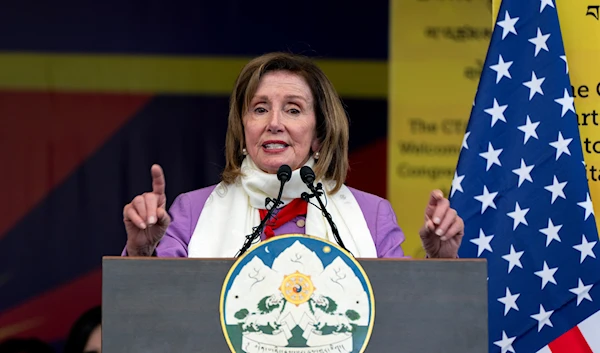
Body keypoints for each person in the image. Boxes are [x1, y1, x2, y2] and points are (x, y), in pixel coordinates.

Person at [122, 52, 464, 259]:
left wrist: (442, 260)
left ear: (318, 134)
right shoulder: (191, 212)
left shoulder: (372, 216)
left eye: (293, 110)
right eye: (259, 109)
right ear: (242, 132)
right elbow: (153, 312)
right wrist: (140, 250)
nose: (274, 123)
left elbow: (404, 313)